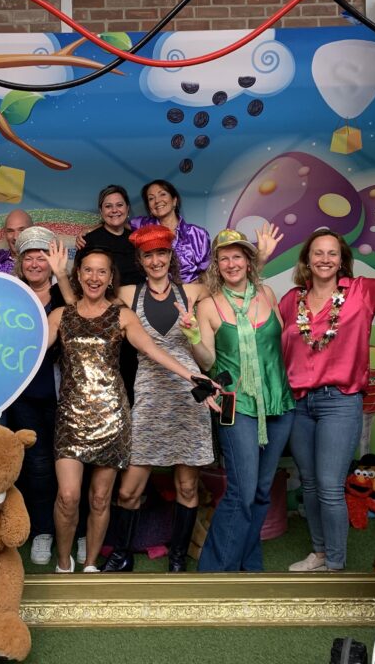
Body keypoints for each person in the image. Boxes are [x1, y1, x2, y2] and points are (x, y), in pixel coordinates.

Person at [48, 247, 215, 573]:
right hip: (72, 418)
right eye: (88, 270)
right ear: (78, 274)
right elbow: (34, 349)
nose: (94, 277)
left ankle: (92, 565)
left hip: (113, 416)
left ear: (111, 277)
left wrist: (192, 376)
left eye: (102, 271)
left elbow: (151, 349)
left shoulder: (124, 313)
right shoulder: (63, 314)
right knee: (69, 496)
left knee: (101, 497)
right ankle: (64, 564)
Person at [279, 191, 375, 573]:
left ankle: (336, 565)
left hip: (340, 402)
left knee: (328, 484)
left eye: (332, 253)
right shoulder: (290, 301)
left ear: (342, 261)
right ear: (306, 260)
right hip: (299, 403)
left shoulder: (361, 293)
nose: (325, 259)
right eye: (317, 253)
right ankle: (320, 553)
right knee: (309, 483)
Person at [181, 228, 295, 573]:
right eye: (224, 258)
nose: (231, 263)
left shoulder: (267, 294)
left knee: (261, 491)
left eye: (237, 256)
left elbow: (283, 343)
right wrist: (192, 335)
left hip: (277, 402)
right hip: (238, 406)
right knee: (241, 492)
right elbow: (207, 361)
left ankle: (249, 563)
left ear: (249, 260)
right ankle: (215, 572)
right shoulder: (208, 305)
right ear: (216, 265)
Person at [104, 224, 213, 573]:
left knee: (187, 486)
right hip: (150, 397)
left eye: (162, 253)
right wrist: (62, 275)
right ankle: (121, 556)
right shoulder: (127, 293)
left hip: (189, 397)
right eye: (148, 255)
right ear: (140, 259)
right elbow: (87, 303)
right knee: (128, 491)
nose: (156, 261)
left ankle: (178, 558)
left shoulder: (193, 291)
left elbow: (233, 283)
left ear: (171, 255)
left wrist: (264, 257)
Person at [7, 226, 75, 566]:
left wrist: (62, 277)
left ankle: (76, 531)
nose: (35, 264)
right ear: (20, 263)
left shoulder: (65, 294)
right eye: (28, 258)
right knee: (37, 465)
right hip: (24, 394)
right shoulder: (11, 295)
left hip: (66, 394)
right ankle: (43, 530)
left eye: (41, 257)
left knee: (72, 464)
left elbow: (80, 318)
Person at [79, 184, 143, 405]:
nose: (114, 210)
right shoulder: (90, 240)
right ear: (101, 211)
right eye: (108, 206)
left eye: (119, 205)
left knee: (133, 379)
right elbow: (83, 282)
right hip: (103, 320)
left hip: (137, 319)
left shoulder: (137, 240)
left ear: (127, 208)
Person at [129, 179, 210, 283]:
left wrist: (191, 290)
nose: (157, 201)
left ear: (174, 200)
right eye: (151, 198)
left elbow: (206, 273)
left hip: (192, 290)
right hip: (156, 290)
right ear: (149, 207)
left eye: (162, 194)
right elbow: (118, 223)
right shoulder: (142, 226)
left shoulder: (198, 234)